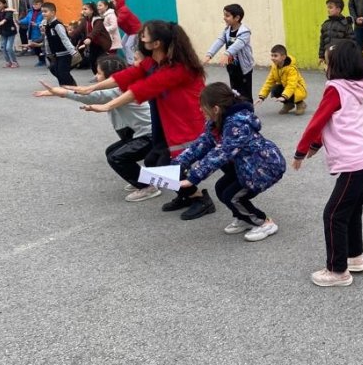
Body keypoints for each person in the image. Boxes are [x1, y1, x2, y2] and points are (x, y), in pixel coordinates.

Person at [69, 20, 210, 217]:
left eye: (145, 34)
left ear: (157, 43)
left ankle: (199, 197)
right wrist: (90, 87)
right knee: (153, 162)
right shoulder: (153, 62)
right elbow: (126, 76)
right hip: (165, 121)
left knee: (167, 164)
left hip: (186, 122)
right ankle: (185, 193)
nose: (140, 36)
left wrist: (107, 106)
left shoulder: (178, 68)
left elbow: (143, 88)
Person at [292, 40, 363, 287]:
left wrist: (300, 151)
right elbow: (338, 123)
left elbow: (318, 120)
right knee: (350, 211)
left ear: (337, 66)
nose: (324, 66)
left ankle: (337, 271)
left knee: (333, 214)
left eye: (327, 61)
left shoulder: (335, 88)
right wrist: (315, 146)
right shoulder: (358, 86)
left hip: (356, 165)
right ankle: (355, 257)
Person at [33, 55, 157, 201]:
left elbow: (91, 96)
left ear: (110, 76)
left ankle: (147, 187)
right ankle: (142, 178)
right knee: (111, 151)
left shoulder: (119, 89)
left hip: (150, 136)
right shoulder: (120, 87)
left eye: (99, 73)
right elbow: (92, 94)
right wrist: (58, 92)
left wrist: (62, 92)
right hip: (140, 133)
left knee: (117, 158)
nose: (96, 76)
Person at [174, 82, 286, 242]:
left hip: (263, 167)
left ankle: (263, 222)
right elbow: (202, 143)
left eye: (202, 106)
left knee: (232, 195)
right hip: (247, 165)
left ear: (216, 109)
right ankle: (244, 218)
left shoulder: (236, 124)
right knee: (221, 188)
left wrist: (193, 177)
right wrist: (177, 163)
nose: (200, 110)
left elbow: (221, 153)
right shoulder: (216, 121)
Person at [204, 3, 254, 101]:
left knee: (245, 93)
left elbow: (238, 44)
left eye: (227, 16)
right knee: (234, 91)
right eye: (224, 15)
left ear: (237, 18)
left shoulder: (245, 32)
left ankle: (249, 112)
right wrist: (209, 55)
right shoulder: (227, 30)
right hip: (232, 67)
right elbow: (219, 41)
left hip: (244, 68)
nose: (224, 18)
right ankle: (237, 111)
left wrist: (227, 53)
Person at [256, 44, 308, 115]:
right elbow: (269, 82)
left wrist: (284, 96)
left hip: (297, 88)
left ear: (283, 57)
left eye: (275, 56)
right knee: (274, 89)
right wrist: (261, 97)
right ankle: (289, 104)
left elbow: (291, 85)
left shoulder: (291, 69)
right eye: (272, 55)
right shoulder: (274, 67)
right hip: (286, 87)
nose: (273, 58)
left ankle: (300, 104)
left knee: (293, 91)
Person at [40, 2, 79, 86]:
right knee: (54, 69)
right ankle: (64, 85)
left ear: (53, 12)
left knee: (63, 72)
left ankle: (73, 86)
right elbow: (47, 39)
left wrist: (73, 52)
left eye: (45, 11)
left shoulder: (57, 25)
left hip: (65, 53)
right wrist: (48, 52)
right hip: (55, 54)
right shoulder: (47, 25)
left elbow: (65, 39)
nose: (43, 14)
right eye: (42, 12)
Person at [70, 2, 111, 74]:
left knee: (100, 61)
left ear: (92, 10)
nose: (83, 11)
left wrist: (89, 38)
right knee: (92, 60)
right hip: (93, 44)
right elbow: (78, 30)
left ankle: (105, 75)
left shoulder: (98, 20)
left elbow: (96, 30)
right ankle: (97, 75)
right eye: (83, 9)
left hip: (102, 44)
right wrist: (69, 37)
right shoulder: (85, 20)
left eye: (85, 9)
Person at [318, 0, 353, 64]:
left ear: (338, 9)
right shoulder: (325, 24)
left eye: (330, 8)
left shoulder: (346, 24)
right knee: (330, 74)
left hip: (341, 58)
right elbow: (322, 42)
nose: (328, 10)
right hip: (328, 57)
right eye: (328, 8)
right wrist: (321, 56)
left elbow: (351, 41)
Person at [110, 0, 141, 64]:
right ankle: (130, 60)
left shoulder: (124, 9)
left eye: (113, 2)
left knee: (128, 45)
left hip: (135, 30)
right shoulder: (116, 10)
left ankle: (132, 62)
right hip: (129, 31)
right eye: (110, 2)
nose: (111, 3)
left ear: (118, 2)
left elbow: (119, 21)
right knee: (123, 44)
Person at [0, 0, 19, 68]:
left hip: (10, 32)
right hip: (2, 32)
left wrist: (4, 21)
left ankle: (14, 62)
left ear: (4, 4)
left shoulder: (8, 11)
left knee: (8, 48)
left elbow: (8, 17)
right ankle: (8, 62)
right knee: (3, 47)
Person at [19, 0, 45, 66]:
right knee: (36, 49)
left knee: (41, 48)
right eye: (34, 4)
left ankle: (43, 60)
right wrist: (20, 21)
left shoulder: (43, 13)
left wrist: (37, 24)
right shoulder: (30, 12)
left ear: (41, 4)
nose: (35, 6)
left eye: (37, 4)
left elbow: (44, 22)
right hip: (32, 32)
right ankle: (41, 60)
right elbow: (26, 20)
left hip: (40, 33)